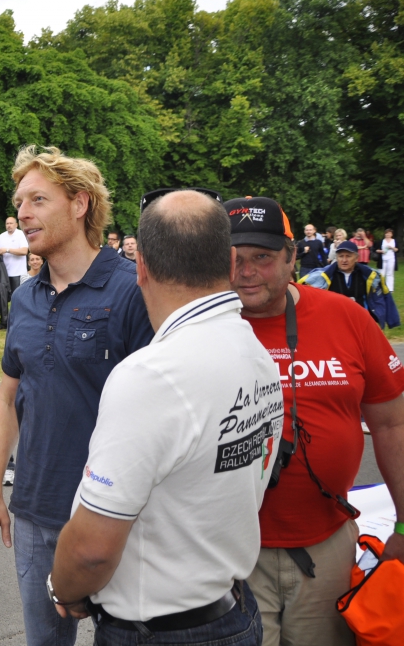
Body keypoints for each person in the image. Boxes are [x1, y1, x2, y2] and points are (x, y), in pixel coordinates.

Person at [48, 190, 280, 645]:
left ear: (142, 267)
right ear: (231, 262)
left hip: (165, 630)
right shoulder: (252, 347)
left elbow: (92, 551)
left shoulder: (151, 375)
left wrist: (64, 587)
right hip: (232, 611)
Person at [0, 146, 154, 646]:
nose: (22, 214)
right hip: (34, 512)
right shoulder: (27, 297)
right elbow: (6, 399)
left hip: (117, 518)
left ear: (79, 204)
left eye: (37, 200)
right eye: (19, 202)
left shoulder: (132, 290)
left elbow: (160, 412)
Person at [224, 196, 404, 646]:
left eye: (262, 258)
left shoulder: (347, 318)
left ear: (291, 258)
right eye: (233, 259)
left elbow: (391, 425)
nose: (246, 271)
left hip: (328, 542)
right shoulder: (202, 330)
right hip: (230, 552)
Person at [299, 240, 401, 328]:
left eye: (348, 256)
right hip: (334, 323)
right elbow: (301, 290)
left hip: (361, 322)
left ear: (356, 258)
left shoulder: (371, 276)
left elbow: (385, 296)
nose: (344, 260)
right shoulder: (322, 276)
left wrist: (393, 321)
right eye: (341, 256)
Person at [0, 215, 31, 299]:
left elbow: (24, 251)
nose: (9, 225)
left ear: (16, 224)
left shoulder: (21, 234)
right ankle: (6, 313)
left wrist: (7, 250)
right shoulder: (2, 236)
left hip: (18, 273)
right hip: (4, 274)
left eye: (11, 223)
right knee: (4, 299)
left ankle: (18, 312)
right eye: (7, 223)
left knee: (19, 298)